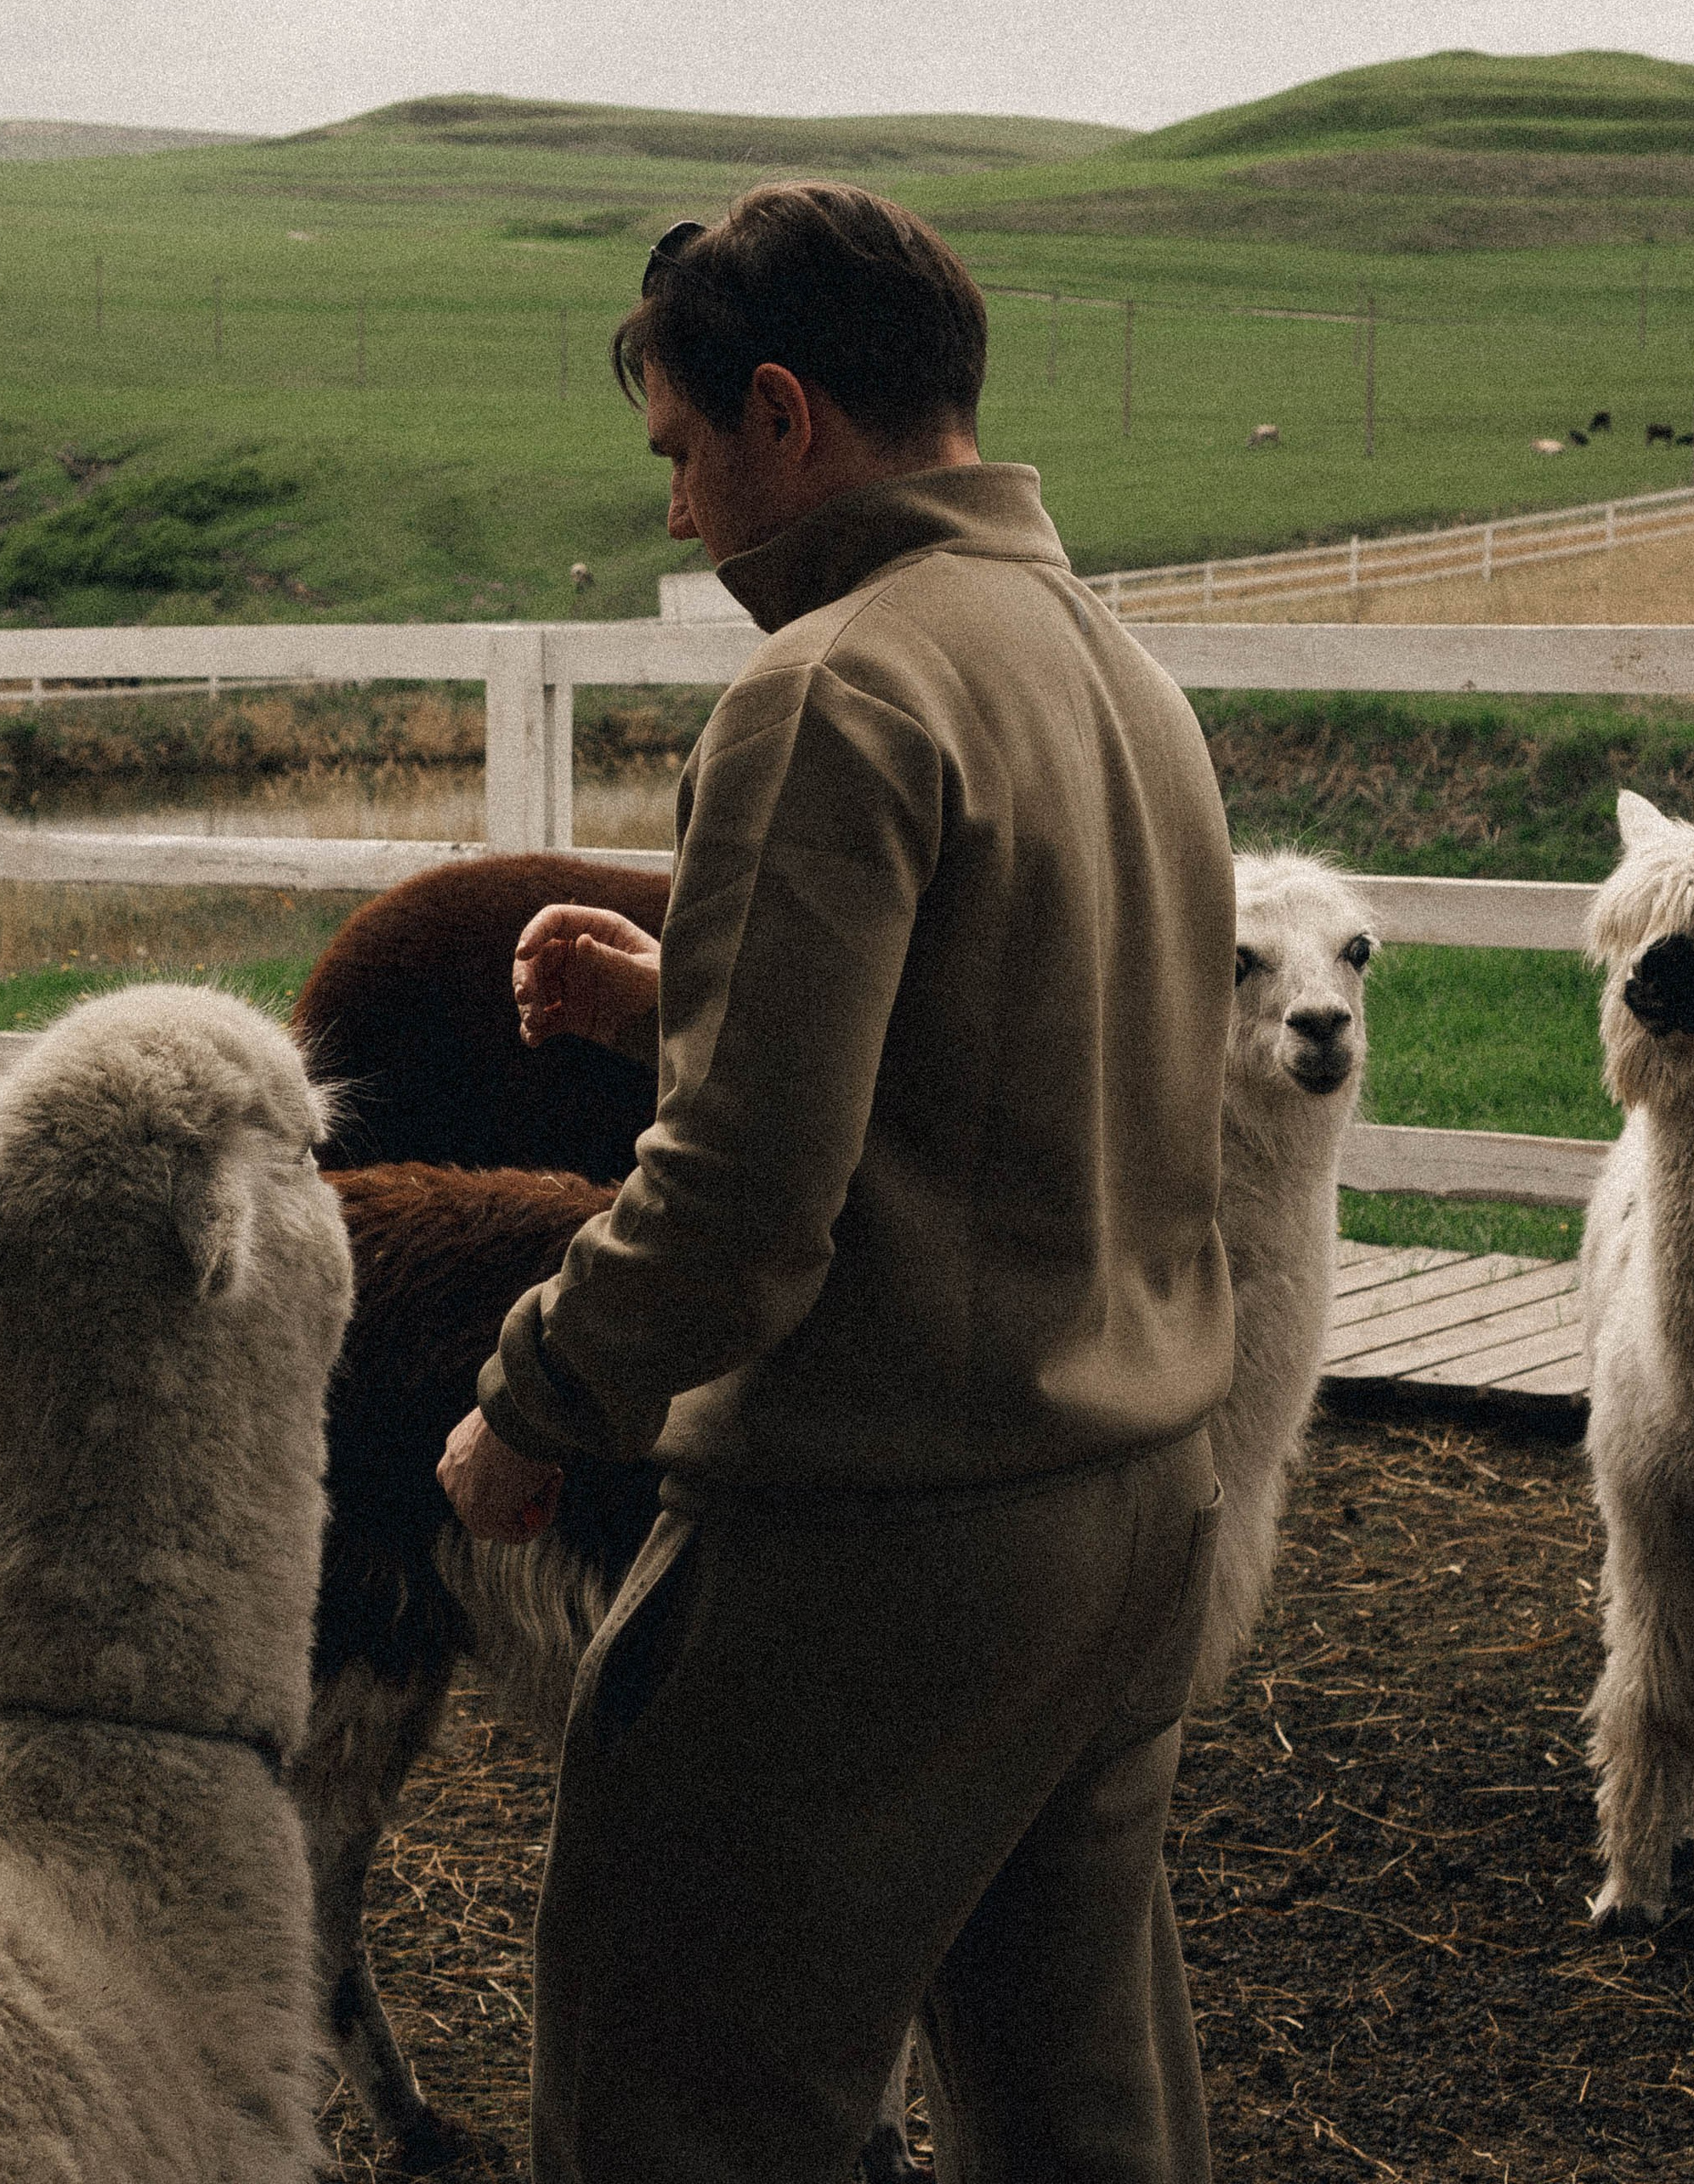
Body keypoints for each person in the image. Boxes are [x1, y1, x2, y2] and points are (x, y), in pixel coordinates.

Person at [438, 182, 1237, 2184]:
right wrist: (677, 1009)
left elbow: (734, 1211)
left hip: (879, 1545)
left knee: (682, 2098)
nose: (685, 514)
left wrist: (532, 1409)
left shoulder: (830, 690)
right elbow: (1040, 1048)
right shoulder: (1107, 667)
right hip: (1128, 1516)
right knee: (1081, 2118)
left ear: (781, 414)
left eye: (684, 454)